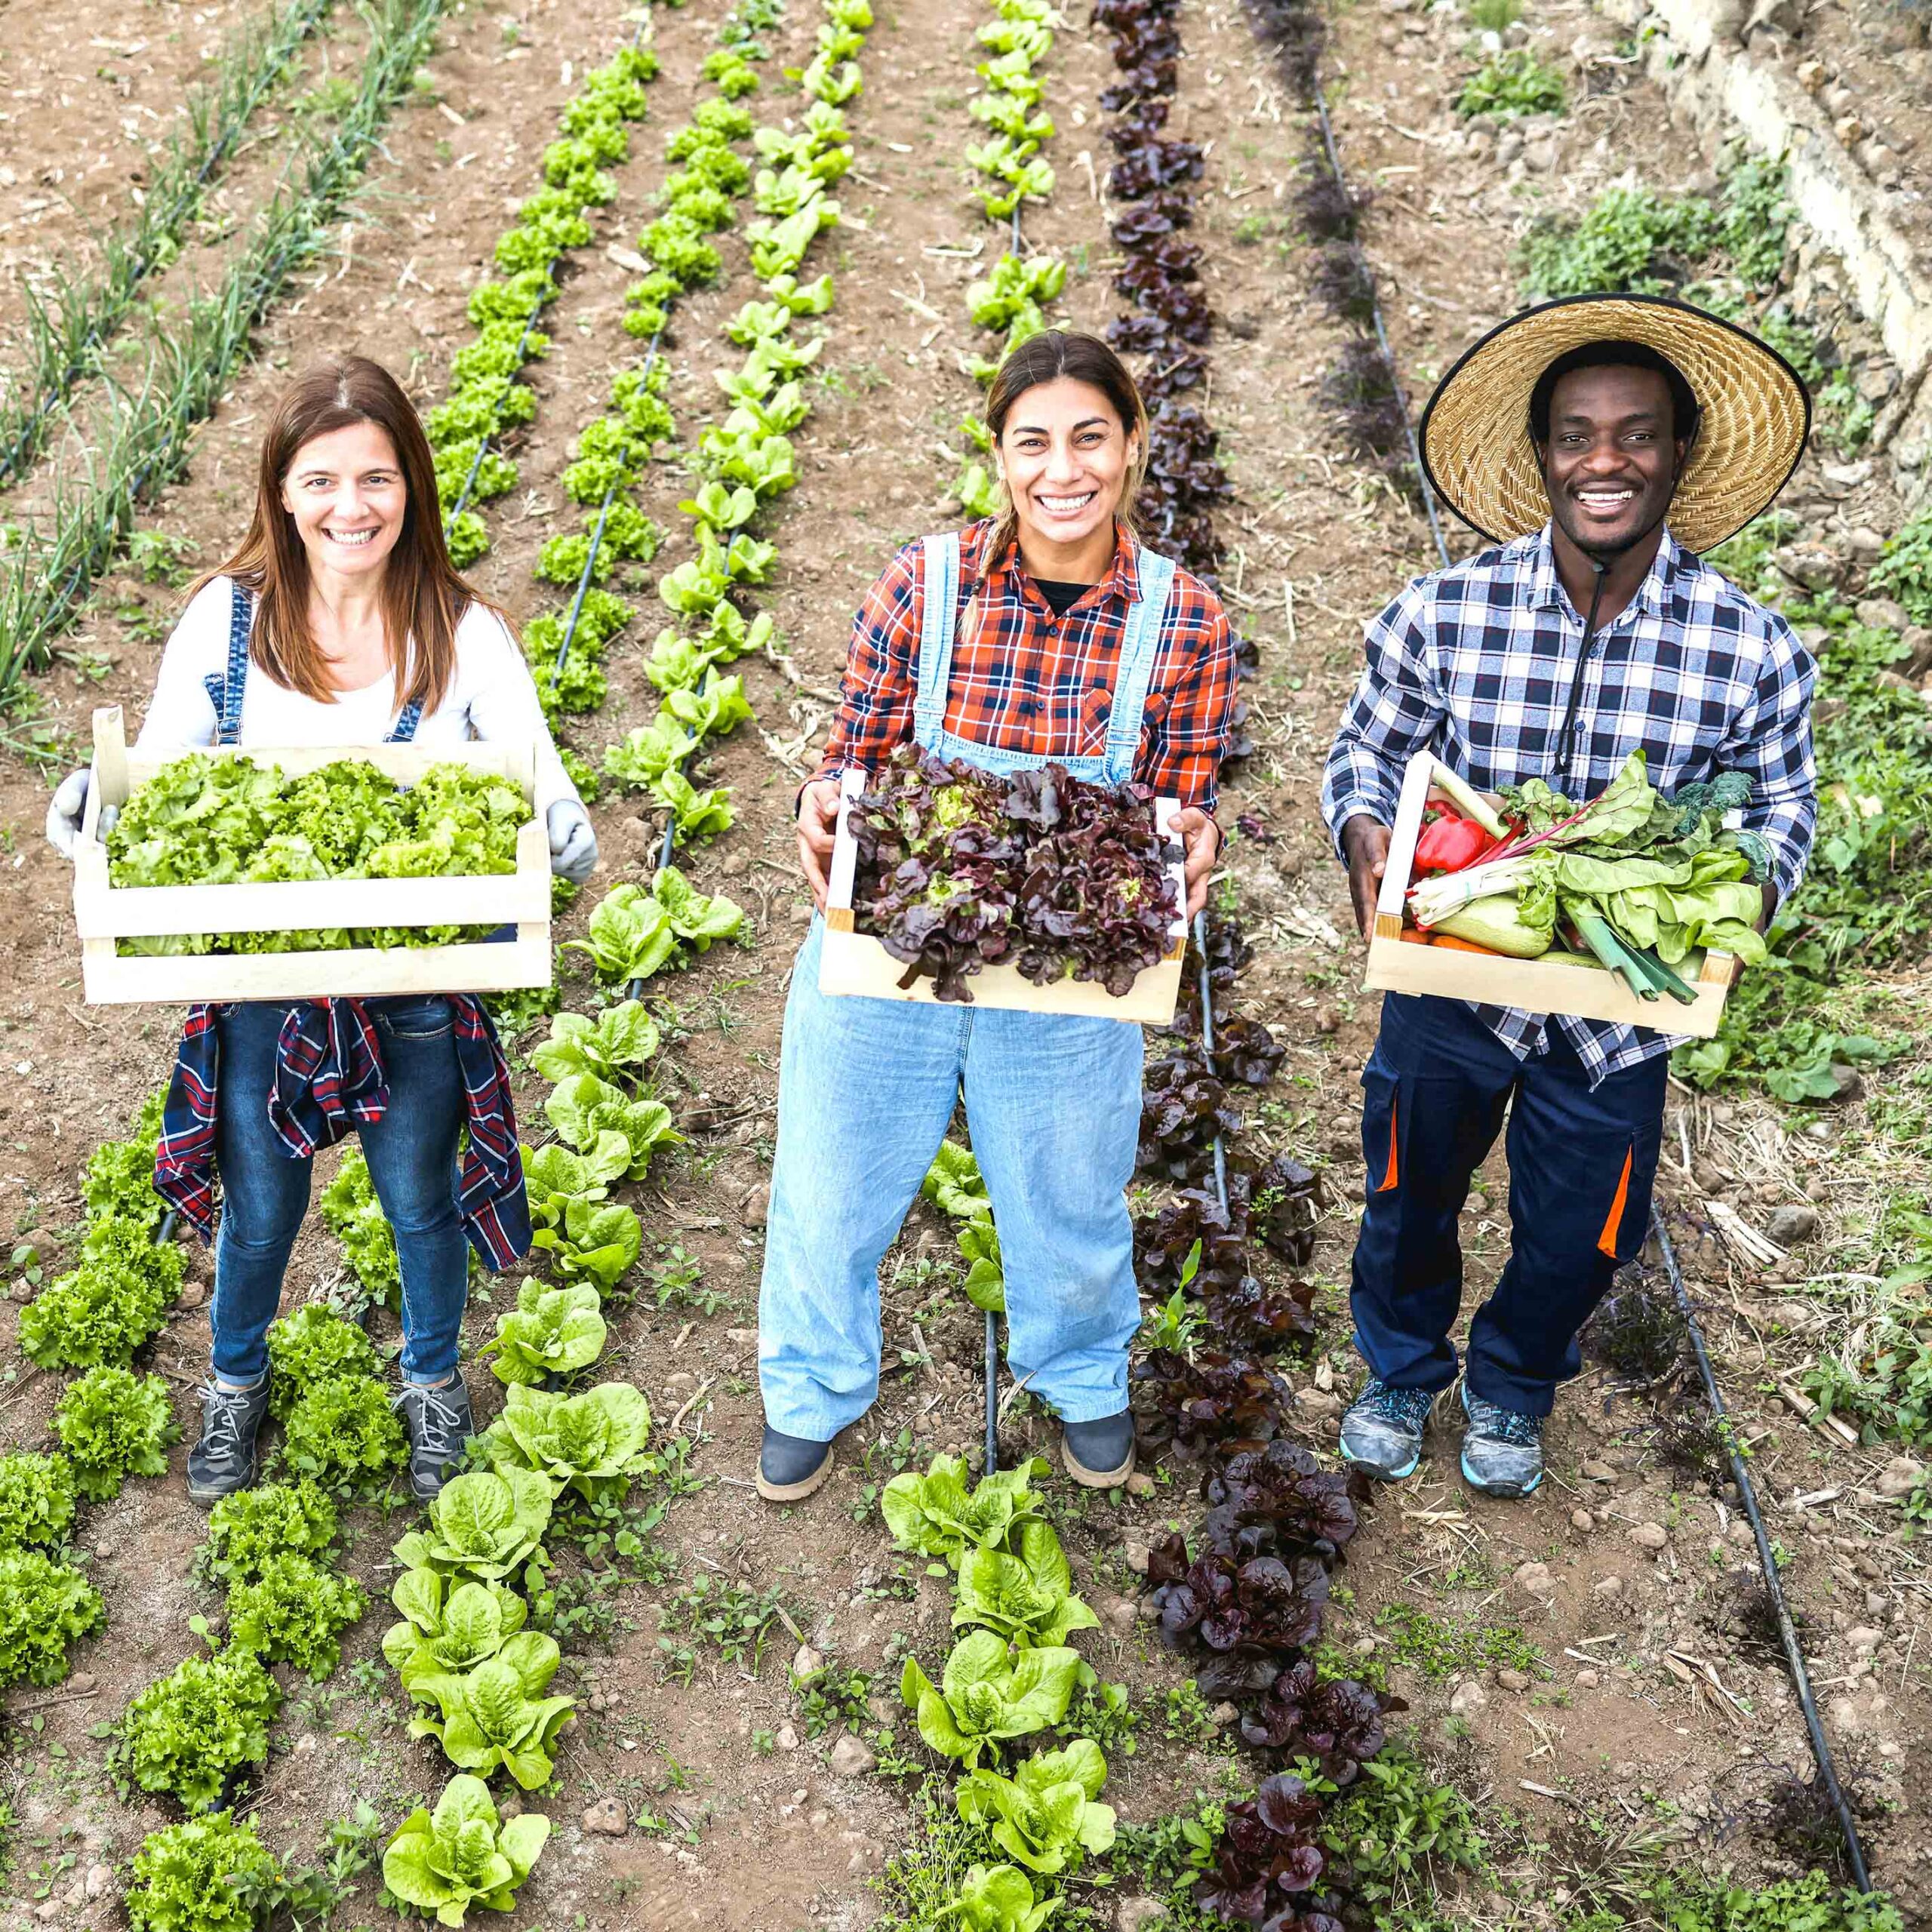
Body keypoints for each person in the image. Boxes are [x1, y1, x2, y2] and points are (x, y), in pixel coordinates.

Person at [45, 355, 598, 1503]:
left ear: (414, 490)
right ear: (283, 493)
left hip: (413, 974)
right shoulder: (227, 620)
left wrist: (562, 826)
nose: (353, 507)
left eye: (379, 479)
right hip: (270, 978)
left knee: (418, 1200)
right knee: (260, 1212)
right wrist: (95, 800)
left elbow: (537, 777)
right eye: (324, 480)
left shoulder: (463, 633)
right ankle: (235, 1384)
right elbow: (153, 768)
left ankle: (432, 1380)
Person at [1320, 294, 1817, 1499]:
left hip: (1618, 1003)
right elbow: (1366, 754)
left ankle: (1512, 1383)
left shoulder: (1749, 648)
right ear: (1542, 455)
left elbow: (1779, 812)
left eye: (1637, 434)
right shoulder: (1446, 610)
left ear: (1680, 455)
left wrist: (1737, 894)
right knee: (1408, 1187)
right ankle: (1399, 1364)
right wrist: (1369, 834)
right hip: (1456, 969)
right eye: (1578, 434)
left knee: (1585, 1230)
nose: (1607, 461)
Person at [758, 329, 1239, 1503]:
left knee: (1067, 1186)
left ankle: (1080, 1374)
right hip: (893, 948)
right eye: (1033, 442)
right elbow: (852, 761)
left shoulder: (1186, 623)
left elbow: (1182, 800)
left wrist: (1192, 840)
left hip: (1071, 978)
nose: (1060, 469)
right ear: (997, 457)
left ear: (1132, 450)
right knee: (831, 1177)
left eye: (1090, 438)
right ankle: (813, 1384)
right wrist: (822, 807)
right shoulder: (922, 585)